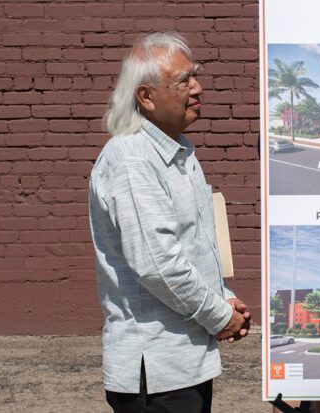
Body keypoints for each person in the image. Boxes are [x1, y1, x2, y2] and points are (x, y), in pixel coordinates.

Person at [89, 32, 250, 413]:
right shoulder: (133, 161)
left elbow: (191, 245)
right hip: (157, 371)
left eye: (195, 75)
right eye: (183, 80)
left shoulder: (176, 152)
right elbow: (158, 264)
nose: (198, 87)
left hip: (182, 361)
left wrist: (223, 297)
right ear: (145, 97)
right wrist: (218, 315)